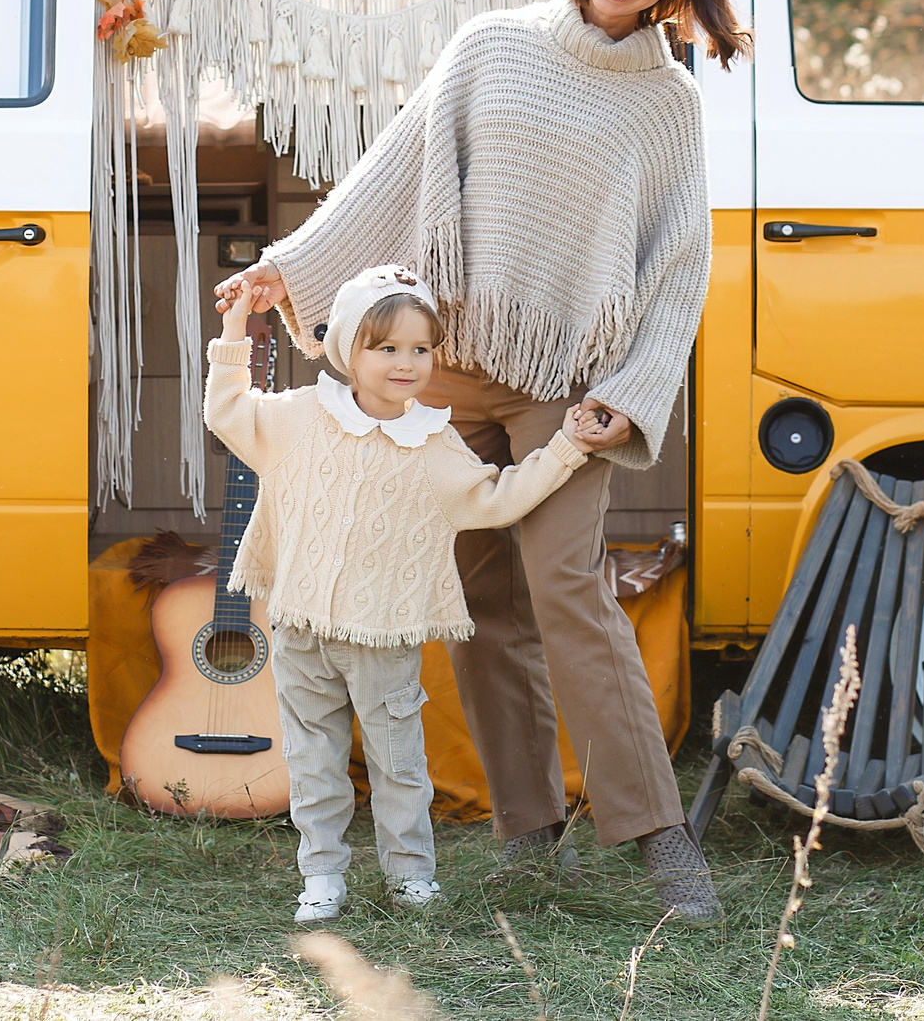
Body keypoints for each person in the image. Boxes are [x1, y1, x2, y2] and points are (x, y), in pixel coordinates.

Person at [216, 0, 750, 921]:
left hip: (566, 382)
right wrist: (292, 266)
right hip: (451, 365)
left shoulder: (668, 103)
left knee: (567, 589)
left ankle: (659, 836)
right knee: (481, 609)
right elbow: (395, 170)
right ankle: (527, 834)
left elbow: (679, 264)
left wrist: (634, 391)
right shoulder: (493, 46)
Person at [206, 263, 624, 923]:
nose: (406, 363)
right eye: (386, 347)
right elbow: (227, 410)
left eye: (421, 348)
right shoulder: (300, 416)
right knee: (312, 760)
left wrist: (566, 447)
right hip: (300, 630)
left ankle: (410, 874)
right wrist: (235, 327)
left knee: (398, 764)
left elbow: (498, 497)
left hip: (385, 637)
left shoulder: (433, 442)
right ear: (348, 349)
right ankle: (322, 874)